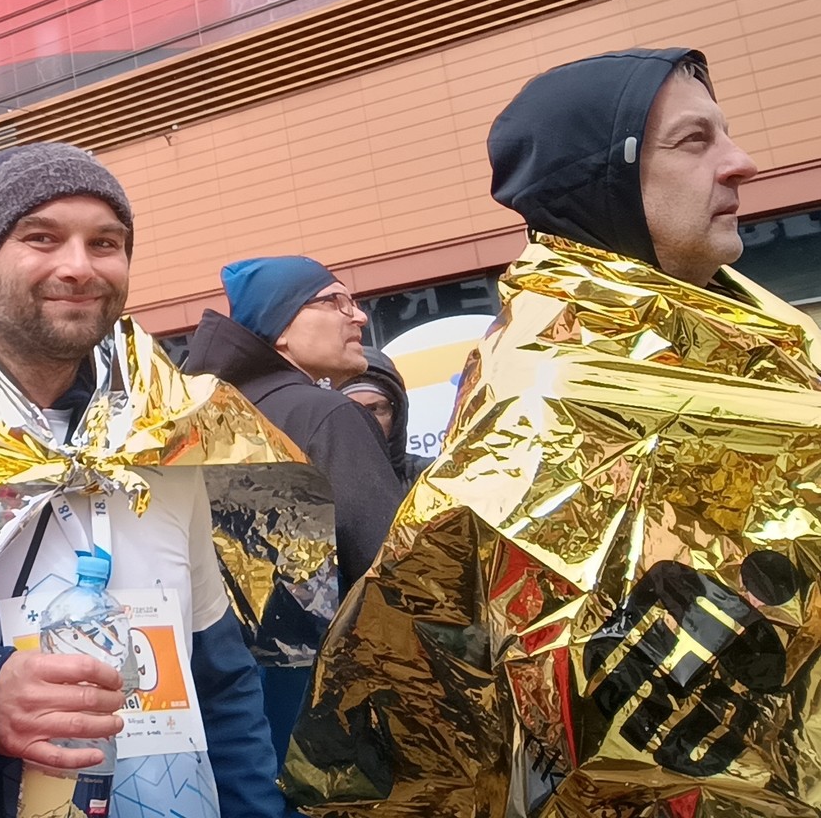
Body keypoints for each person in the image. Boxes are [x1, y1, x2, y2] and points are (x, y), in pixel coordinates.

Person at [284, 48, 821, 818]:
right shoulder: (552, 396)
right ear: (605, 180)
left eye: (724, 134)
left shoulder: (766, 345)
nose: (741, 162)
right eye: (693, 141)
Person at [0, 143, 304, 818]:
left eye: (105, 243)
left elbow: (220, 681)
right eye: (42, 238)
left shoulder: (161, 443)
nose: (79, 267)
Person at [185, 256, 404, 590]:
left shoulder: (203, 423)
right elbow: (389, 570)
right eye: (336, 301)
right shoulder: (327, 416)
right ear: (281, 327)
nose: (360, 316)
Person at [340, 349, 427, 490]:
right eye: (351, 409)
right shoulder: (315, 488)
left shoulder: (429, 479)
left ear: (396, 415)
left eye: (374, 409)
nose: (364, 420)